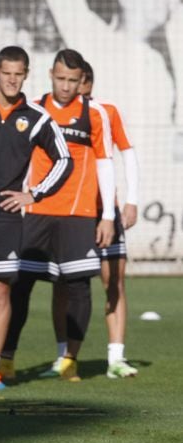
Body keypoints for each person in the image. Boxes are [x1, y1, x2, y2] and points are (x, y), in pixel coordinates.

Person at [0, 45, 72, 390]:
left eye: (17, 74)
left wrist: (33, 194)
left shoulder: (36, 117)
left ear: (26, 74)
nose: (11, 79)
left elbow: (64, 160)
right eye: (6, 72)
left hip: (5, 217)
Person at [1, 49, 116, 382]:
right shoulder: (34, 110)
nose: (66, 86)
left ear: (82, 82)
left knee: (79, 285)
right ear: (50, 74)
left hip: (78, 213)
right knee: (20, 285)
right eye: (60, 78)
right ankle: (6, 358)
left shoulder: (94, 114)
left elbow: (106, 162)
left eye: (73, 81)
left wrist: (106, 214)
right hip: (36, 210)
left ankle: (69, 360)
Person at [46, 60, 139, 379]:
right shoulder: (49, 111)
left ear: (87, 83)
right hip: (71, 214)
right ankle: (64, 357)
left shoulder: (104, 112)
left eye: (79, 83)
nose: (74, 89)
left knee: (114, 282)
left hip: (104, 213)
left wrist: (131, 200)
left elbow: (126, 152)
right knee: (63, 284)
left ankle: (116, 357)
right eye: (68, 81)